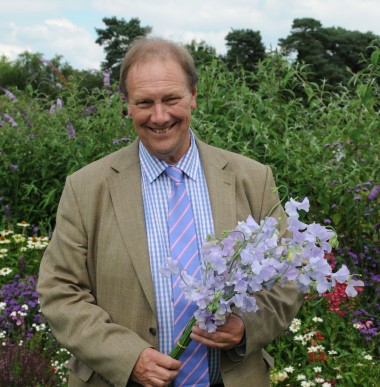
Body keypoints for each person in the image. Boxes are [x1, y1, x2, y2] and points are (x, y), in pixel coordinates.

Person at [38, 36, 303, 387]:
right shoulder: (86, 188)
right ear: (127, 106)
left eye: (171, 99)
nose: (159, 116)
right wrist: (127, 357)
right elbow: (60, 291)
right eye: (144, 102)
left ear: (193, 95)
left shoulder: (252, 179)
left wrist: (246, 327)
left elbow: (288, 276)